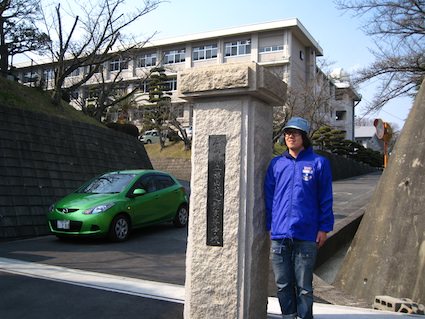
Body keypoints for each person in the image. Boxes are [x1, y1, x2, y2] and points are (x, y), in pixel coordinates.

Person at [264, 117, 334, 319]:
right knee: (283, 284)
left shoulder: (319, 163)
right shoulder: (276, 164)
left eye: (295, 133)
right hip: (279, 235)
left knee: (304, 287)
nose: (290, 136)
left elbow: (325, 198)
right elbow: (269, 197)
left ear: (304, 137)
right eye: (287, 133)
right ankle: (288, 316)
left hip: (306, 234)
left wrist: (324, 228)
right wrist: (270, 225)